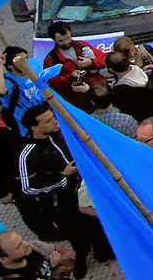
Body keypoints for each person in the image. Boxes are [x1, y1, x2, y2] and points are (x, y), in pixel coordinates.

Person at [13, 105, 92, 278]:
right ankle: (80, 260)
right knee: (77, 235)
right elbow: (27, 187)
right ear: (34, 127)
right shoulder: (28, 153)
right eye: (48, 121)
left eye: (53, 117)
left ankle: (103, 251)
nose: (54, 122)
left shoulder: (62, 133)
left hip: (86, 189)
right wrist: (60, 177)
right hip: (64, 202)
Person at [42, 22, 106, 112]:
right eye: (61, 41)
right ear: (54, 40)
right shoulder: (51, 59)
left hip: (97, 91)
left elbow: (102, 59)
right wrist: (70, 76)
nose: (66, 42)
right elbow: (51, 81)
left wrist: (91, 62)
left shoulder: (82, 45)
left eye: (68, 38)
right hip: (76, 101)